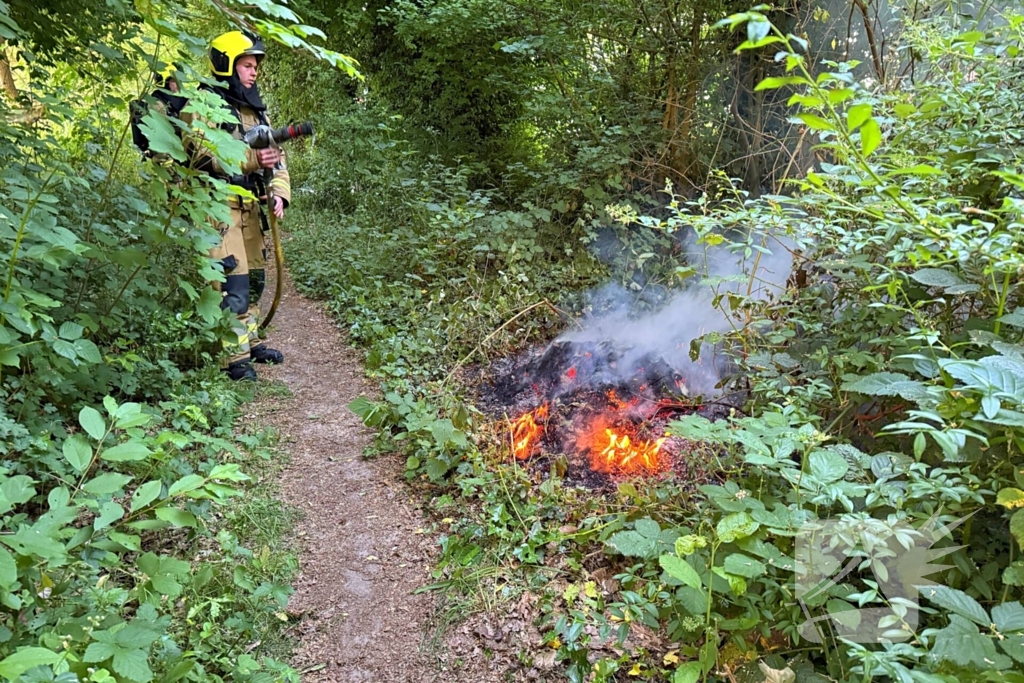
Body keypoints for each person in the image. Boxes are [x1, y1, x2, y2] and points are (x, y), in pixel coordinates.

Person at [182, 31, 290, 381]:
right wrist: (252, 159)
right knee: (233, 282)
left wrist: (279, 192)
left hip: (251, 207)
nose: (253, 71)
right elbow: (202, 154)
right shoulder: (203, 105)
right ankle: (234, 358)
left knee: (255, 278)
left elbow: (276, 158)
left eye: (255, 65)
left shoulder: (255, 112)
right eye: (246, 65)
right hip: (218, 208)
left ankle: (251, 341)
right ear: (226, 64)